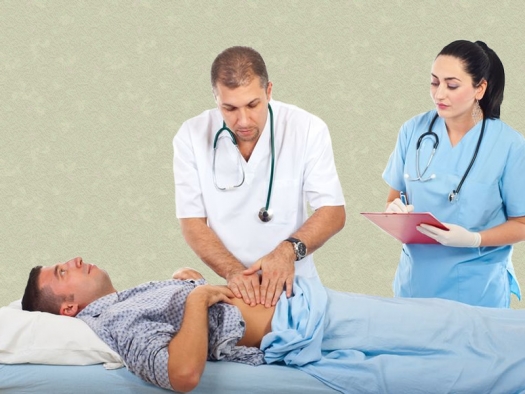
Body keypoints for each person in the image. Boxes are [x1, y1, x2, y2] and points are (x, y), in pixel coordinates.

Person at [22, 256, 525, 394]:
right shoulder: (109, 324)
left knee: (452, 324)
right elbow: (181, 375)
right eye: (63, 272)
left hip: (301, 311)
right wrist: (195, 300)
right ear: (67, 309)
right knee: (451, 328)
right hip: (301, 324)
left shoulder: (122, 302)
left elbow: (173, 324)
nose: (77, 260)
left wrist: (180, 283)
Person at [173, 46, 346, 308]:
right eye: (229, 108)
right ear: (215, 98)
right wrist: (234, 272)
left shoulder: (307, 128)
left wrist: (287, 252)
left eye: (253, 105)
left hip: (296, 288)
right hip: (235, 291)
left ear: (269, 91)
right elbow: (192, 223)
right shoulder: (191, 136)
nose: (243, 120)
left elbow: (333, 212)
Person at [382, 40, 525, 308]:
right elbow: (394, 195)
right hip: (415, 285)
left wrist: (474, 239)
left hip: (477, 291)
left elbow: (522, 224)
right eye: (434, 82)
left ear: (480, 88)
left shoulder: (510, 146)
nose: (439, 94)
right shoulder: (413, 130)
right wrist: (394, 211)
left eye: (452, 85)